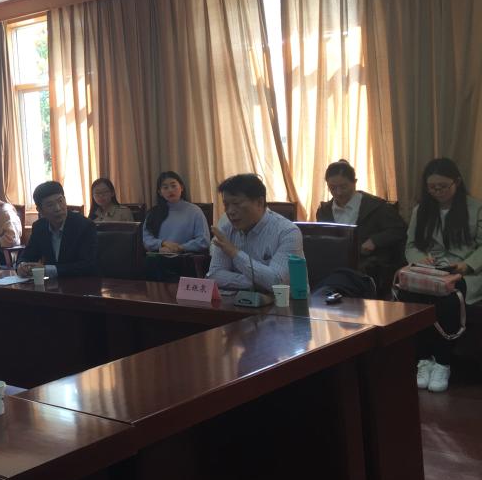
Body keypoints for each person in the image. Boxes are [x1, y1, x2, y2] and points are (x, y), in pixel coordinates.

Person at [404, 158, 482, 394]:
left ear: (456, 182)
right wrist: (419, 259)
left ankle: (442, 362)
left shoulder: (475, 208)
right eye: (432, 188)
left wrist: (467, 265)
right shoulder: (421, 209)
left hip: (463, 272)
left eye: (443, 186)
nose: (438, 192)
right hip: (430, 271)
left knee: (447, 299)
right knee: (411, 297)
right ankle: (423, 360)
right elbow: (411, 245)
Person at [315, 160, 407, 293]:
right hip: (334, 263)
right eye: (333, 188)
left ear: (354, 182)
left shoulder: (376, 207)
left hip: (368, 267)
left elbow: (399, 230)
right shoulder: (324, 211)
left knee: (335, 283)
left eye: (343, 187)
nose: (339, 193)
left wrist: (375, 240)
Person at [206, 174, 304, 291]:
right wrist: (256, 283)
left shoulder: (288, 232)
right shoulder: (226, 230)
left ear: (259, 202)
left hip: (285, 301)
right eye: (226, 205)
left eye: (236, 204)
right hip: (241, 300)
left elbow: (277, 282)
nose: (230, 211)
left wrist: (234, 252)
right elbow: (214, 275)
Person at [16, 181, 97, 278]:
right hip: (52, 285)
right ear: (40, 210)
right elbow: (27, 255)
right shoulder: (39, 227)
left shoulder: (85, 226)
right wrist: (22, 266)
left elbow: (87, 265)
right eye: (50, 205)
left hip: (82, 283)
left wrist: (47, 270)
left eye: (60, 201)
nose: (58, 208)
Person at [143, 172, 210, 253]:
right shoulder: (153, 213)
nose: (170, 190)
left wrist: (181, 248)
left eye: (173, 186)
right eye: (165, 187)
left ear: (181, 187)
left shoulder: (195, 211)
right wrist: (162, 243)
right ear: (160, 192)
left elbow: (204, 240)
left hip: (185, 257)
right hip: (159, 256)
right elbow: (146, 239)